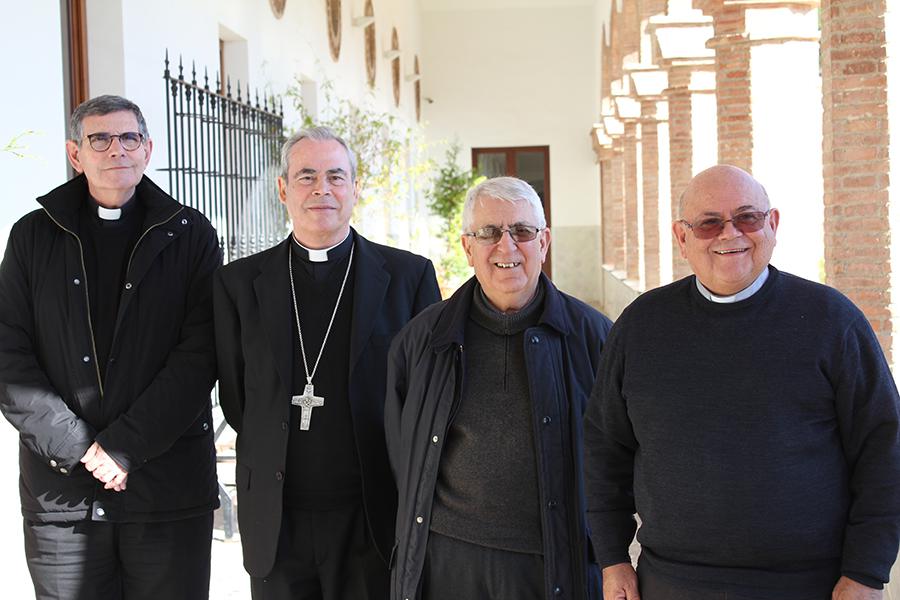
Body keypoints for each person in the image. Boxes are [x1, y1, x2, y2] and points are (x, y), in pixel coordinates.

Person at [584, 164, 900, 600]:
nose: (729, 234)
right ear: (682, 238)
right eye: (709, 223)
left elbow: (884, 449)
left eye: (747, 217)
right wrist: (612, 558)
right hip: (673, 583)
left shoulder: (832, 321)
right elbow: (605, 449)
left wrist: (867, 571)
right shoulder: (640, 326)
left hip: (811, 585)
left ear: (772, 224)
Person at [0, 95, 221, 600]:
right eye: (99, 138)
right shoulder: (33, 236)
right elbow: (8, 352)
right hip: (63, 491)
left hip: (165, 483)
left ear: (147, 150)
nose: (115, 149)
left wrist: (125, 446)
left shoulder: (190, 235)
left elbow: (201, 353)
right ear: (76, 155)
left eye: (128, 138)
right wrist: (78, 447)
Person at [214, 126, 441, 599]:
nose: (322, 189)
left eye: (336, 176)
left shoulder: (408, 277)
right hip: (278, 522)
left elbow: (426, 396)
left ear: (356, 189)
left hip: (372, 518)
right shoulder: (238, 285)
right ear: (282, 189)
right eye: (307, 176)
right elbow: (239, 399)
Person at [385, 176, 613, 600]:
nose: (506, 247)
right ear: (467, 247)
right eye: (488, 232)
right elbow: (403, 452)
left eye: (522, 232)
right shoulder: (421, 341)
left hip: (552, 565)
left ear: (543, 242)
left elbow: (618, 461)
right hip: (447, 565)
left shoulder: (595, 338)